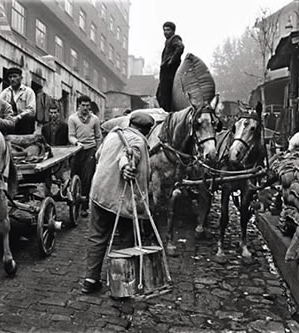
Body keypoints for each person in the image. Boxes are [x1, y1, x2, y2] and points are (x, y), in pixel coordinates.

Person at [81, 111, 155, 294]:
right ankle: (121, 285)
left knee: (97, 236)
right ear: (147, 131)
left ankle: (90, 280)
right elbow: (129, 156)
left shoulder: (113, 135)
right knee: (127, 239)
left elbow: (99, 156)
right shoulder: (138, 142)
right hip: (122, 200)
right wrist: (125, 168)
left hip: (99, 192)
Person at [68, 95, 102, 217]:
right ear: (78, 105)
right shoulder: (72, 119)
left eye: (88, 105)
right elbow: (71, 136)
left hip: (90, 151)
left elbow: (98, 137)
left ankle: (84, 206)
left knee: (87, 178)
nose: (86, 108)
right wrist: (77, 143)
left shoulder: (95, 119)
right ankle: (73, 203)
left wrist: (98, 152)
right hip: (77, 151)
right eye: (83, 105)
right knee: (75, 177)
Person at [156, 21, 184, 112]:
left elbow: (180, 47)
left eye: (168, 30)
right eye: (164, 30)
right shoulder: (168, 41)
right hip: (165, 71)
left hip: (169, 71)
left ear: (173, 31)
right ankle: (165, 110)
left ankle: (167, 113)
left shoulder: (174, 38)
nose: (165, 32)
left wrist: (171, 61)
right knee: (159, 94)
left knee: (165, 94)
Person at [0, 67, 36, 135]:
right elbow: (0, 109)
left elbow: (31, 110)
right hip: (9, 123)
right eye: (10, 77)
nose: (12, 79)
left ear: (21, 78)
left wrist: (18, 117)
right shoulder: (5, 93)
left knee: (29, 117)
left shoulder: (28, 91)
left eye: (15, 76)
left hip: (22, 123)